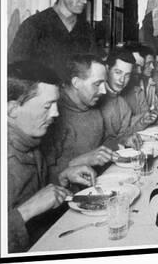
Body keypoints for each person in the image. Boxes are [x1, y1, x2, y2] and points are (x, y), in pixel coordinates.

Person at [7, 61, 96, 253]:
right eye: (47, 106)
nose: (55, 113)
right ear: (12, 109)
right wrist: (26, 211)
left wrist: (62, 179)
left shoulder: (29, 141)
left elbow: (39, 194)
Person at [8, 0, 97, 78]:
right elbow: (15, 66)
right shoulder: (34, 24)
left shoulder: (86, 29)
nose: (84, 0)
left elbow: (93, 66)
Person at [41, 54, 113, 184]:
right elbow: (42, 181)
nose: (104, 91)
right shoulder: (51, 115)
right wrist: (79, 162)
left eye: (104, 83)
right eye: (97, 84)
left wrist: (124, 140)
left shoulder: (92, 105)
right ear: (76, 83)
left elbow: (103, 145)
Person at [99, 48, 157, 149]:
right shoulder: (95, 98)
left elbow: (123, 135)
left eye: (127, 75)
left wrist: (141, 122)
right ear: (107, 69)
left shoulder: (122, 104)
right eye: (118, 72)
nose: (122, 80)